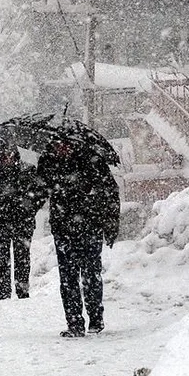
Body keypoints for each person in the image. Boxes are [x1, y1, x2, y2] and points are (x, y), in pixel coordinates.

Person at [37, 139, 120, 337]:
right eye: (57, 145)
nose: (61, 148)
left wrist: (110, 223)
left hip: (89, 226)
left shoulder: (91, 160)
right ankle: (74, 322)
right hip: (63, 228)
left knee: (91, 274)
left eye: (64, 144)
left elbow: (110, 192)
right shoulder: (48, 162)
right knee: (68, 278)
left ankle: (95, 318)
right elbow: (39, 191)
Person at [0, 141, 46, 301]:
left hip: (22, 221)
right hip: (1, 222)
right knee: (1, 257)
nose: (7, 158)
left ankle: (22, 289)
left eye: (9, 154)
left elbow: (41, 193)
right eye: (3, 155)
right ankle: (3, 290)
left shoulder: (28, 171)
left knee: (22, 256)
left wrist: (29, 208)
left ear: (15, 155)